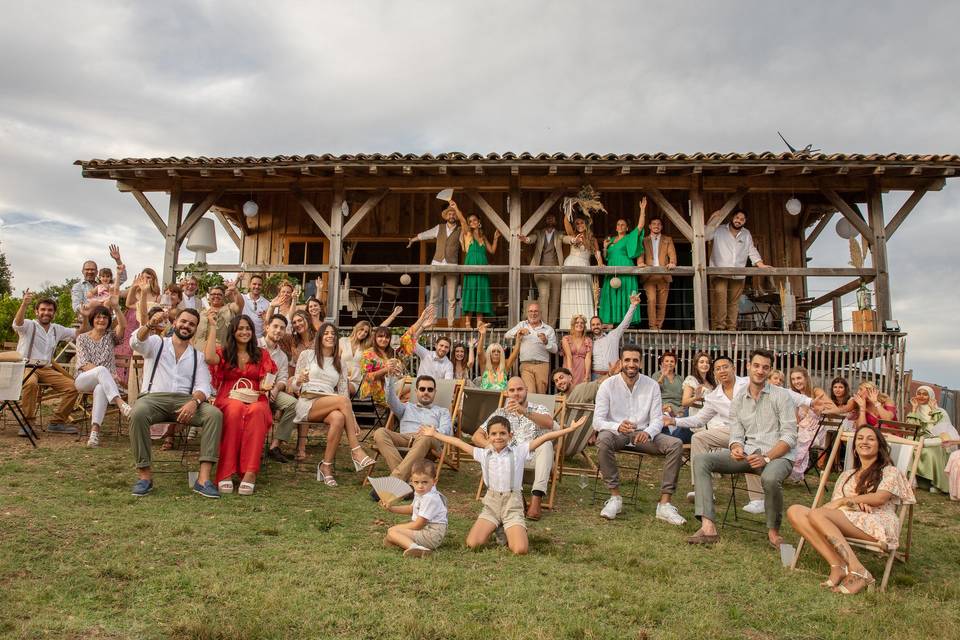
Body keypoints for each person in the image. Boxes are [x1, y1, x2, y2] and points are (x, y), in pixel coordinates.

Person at [419, 415, 585, 555]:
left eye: (502, 433)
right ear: (488, 437)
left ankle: (510, 528)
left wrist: (569, 429)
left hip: (512, 503)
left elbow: (545, 438)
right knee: (473, 544)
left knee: (520, 550)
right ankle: (497, 525)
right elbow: (458, 442)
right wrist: (435, 434)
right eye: (494, 434)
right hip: (491, 503)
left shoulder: (519, 451)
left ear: (510, 435)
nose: (498, 437)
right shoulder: (483, 454)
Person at [787, 425, 916, 594]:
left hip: (876, 522)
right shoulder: (846, 475)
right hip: (847, 519)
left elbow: (879, 498)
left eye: (871, 438)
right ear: (854, 447)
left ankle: (858, 569)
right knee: (794, 510)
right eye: (860, 438)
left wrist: (848, 500)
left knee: (817, 513)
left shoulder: (890, 471)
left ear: (880, 446)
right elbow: (833, 508)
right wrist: (852, 505)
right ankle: (837, 565)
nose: (864, 441)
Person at [687, 349, 797, 548]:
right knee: (702, 460)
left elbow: (790, 436)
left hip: (778, 457)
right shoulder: (739, 399)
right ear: (748, 367)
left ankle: (773, 533)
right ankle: (708, 527)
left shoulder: (781, 396)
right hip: (749, 453)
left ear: (770, 370)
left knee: (770, 478)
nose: (760, 371)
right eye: (756, 366)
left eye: (765, 367)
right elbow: (736, 432)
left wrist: (767, 457)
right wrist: (736, 446)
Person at [127, 288, 223, 498]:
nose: (186, 326)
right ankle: (144, 476)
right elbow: (135, 342)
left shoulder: (197, 356)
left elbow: (204, 386)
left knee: (214, 415)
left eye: (191, 324)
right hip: (154, 399)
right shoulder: (157, 343)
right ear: (175, 322)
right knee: (138, 413)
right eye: (183, 321)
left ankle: (203, 479)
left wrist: (195, 402)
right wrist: (150, 325)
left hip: (185, 403)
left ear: (195, 330)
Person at [593, 345, 686, 525]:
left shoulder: (651, 385)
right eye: (627, 360)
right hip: (617, 433)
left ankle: (664, 505)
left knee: (675, 444)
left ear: (641, 363)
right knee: (602, 439)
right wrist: (617, 426)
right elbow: (597, 421)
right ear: (621, 362)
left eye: (635, 360)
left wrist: (648, 432)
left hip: (644, 434)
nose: (631, 364)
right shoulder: (607, 385)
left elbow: (658, 420)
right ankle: (615, 498)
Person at [665, 355, 765, 513]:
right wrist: (674, 422)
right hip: (731, 431)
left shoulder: (748, 382)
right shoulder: (714, 396)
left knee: (749, 444)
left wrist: (808, 402)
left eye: (725, 367)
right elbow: (699, 419)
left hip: (756, 431)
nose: (722, 371)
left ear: (733, 368)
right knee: (698, 437)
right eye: (718, 369)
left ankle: (758, 499)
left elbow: (781, 392)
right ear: (715, 373)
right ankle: (702, 489)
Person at [291, 322, 375, 485]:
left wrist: (352, 418)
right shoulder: (307, 355)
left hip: (329, 401)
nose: (330, 336)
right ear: (320, 337)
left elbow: (343, 392)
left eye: (333, 334)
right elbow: (294, 385)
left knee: (338, 418)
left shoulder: (340, 362)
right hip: (308, 401)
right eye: (326, 333)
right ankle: (356, 451)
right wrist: (299, 380)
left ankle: (326, 466)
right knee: (342, 401)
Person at [204, 313, 277, 495]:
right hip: (229, 395)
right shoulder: (224, 353)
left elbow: (268, 376)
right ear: (233, 331)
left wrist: (266, 384)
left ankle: (250, 472)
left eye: (248, 328)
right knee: (235, 410)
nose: (245, 332)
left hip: (255, 395)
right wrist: (212, 326)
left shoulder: (261, 354)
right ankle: (225, 472)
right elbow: (209, 358)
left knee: (258, 410)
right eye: (240, 328)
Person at [472, 377, 557, 520]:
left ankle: (536, 499)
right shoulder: (500, 413)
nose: (516, 393)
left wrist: (523, 411)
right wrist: (493, 446)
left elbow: (549, 423)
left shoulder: (539, 408)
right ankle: (517, 497)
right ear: (507, 393)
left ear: (526, 390)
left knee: (546, 444)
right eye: (512, 390)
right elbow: (476, 437)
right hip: (510, 461)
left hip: (536, 459)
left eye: (519, 389)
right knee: (504, 454)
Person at [13, 291, 79, 433]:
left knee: (73, 386)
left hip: (46, 368)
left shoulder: (57, 329)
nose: (46, 313)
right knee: (30, 383)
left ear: (54, 313)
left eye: (50, 310)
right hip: (27, 366)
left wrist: (85, 317)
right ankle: (28, 423)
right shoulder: (29, 325)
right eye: (42, 309)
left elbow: (79, 333)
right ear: (36, 312)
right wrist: (24, 304)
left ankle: (56, 422)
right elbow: (18, 324)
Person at [372, 374, 453, 482]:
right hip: (405, 438)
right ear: (416, 391)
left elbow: (447, 431)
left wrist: (431, 431)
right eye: (422, 389)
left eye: (430, 389)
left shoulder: (442, 411)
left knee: (426, 437)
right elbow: (390, 400)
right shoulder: (406, 407)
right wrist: (390, 378)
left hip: (429, 441)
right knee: (380, 432)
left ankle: (396, 480)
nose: (426, 392)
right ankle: (404, 479)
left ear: (434, 392)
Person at [74, 301, 132, 447]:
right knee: (101, 370)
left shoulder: (110, 337)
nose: (101, 320)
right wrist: (107, 373)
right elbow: (85, 364)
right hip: (84, 379)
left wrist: (117, 308)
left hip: (105, 384)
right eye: (98, 317)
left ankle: (94, 434)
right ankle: (120, 403)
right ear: (92, 319)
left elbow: (123, 326)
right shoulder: (82, 338)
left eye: (105, 317)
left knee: (101, 388)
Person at [706, 210, 771, 331]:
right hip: (720, 272)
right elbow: (705, 235)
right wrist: (712, 219)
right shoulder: (719, 229)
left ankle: (731, 328)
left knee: (734, 302)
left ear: (745, 221)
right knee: (720, 298)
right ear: (732, 217)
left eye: (742, 219)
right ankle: (720, 328)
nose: (738, 221)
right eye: (737, 218)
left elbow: (751, 249)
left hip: (738, 274)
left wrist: (760, 264)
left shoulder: (746, 234)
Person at [381, 459, 448, 558]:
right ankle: (408, 544)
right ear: (411, 481)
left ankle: (416, 548)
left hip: (431, 534)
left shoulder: (430, 497)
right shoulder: (422, 492)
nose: (420, 486)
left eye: (425, 482)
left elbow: (419, 524)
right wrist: (391, 508)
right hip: (424, 530)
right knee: (390, 536)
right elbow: (412, 508)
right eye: (416, 482)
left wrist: (397, 528)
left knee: (392, 532)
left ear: (434, 481)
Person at [408, 201, 461, 325]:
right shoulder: (439, 228)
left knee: (452, 299)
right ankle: (432, 323)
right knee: (433, 297)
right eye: (449, 214)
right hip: (437, 264)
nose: (451, 216)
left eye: (453, 214)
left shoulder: (460, 229)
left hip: (452, 265)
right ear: (446, 215)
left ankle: (450, 325)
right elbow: (425, 235)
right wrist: (413, 239)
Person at [259, 315, 300, 464]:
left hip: (272, 392)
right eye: (275, 326)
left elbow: (283, 378)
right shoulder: (255, 345)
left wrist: (276, 390)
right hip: (254, 390)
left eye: (282, 328)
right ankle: (254, 447)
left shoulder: (282, 355)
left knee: (294, 404)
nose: (278, 330)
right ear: (267, 327)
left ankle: (275, 446)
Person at [598, 197, 645, 326]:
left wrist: (642, 210)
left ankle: (626, 322)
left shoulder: (629, 237)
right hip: (611, 269)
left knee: (625, 293)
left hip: (625, 268)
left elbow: (640, 227)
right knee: (610, 294)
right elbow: (606, 257)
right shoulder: (611, 240)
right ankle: (612, 321)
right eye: (618, 224)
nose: (620, 226)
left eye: (623, 224)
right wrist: (605, 247)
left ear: (627, 227)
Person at [453, 202, 500, 328]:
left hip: (483, 268)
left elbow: (492, 251)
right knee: (471, 291)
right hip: (471, 266)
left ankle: (479, 321)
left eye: (474, 220)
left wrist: (495, 238)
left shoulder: (483, 237)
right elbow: (462, 220)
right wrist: (456, 208)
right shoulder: (468, 234)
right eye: (470, 221)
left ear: (479, 221)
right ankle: (468, 321)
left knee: (481, 292)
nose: (472, 222)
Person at [906, 385, 959, 494]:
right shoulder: (915, 411)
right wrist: (914, 409)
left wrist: (934, 410)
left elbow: (943, 429)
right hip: (920, 439)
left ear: (931, 396)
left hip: (936, 440)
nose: (921, 396)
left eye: (925, 394)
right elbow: (911, 428)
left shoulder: (941, 411)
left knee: (931, 452)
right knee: (911, 449)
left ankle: (936, 483)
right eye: (919, 393)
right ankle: (914, 480)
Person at [518, 213, 564, 326]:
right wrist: (526, 239)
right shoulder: (539, 233)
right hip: (541, 269)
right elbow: (532, 239)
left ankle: (551, 327)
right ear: (545, 220)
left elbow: (567, 239)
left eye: (552, 217)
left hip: (556, 270)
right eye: (548, 217)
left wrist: (574, 240)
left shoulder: (559, 234)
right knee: (544, 295)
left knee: (555, 298)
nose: (550, 219)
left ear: (555, 221)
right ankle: (543, 325)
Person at [503, 301, 557, 394]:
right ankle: (528, 409)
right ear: (527, 313)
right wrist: (519, 332)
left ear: (540, 313)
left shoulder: (548, 329)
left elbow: (555, 349)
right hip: (526, 365)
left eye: (536, 311)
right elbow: (507, 335)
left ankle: (539, 409)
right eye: (530, 311)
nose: (533, 313)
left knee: (541, 394)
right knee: (529, 393)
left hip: (542, 365)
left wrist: (546, 341)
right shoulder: (522, 324)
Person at [559, 213, 603, 329]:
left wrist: (600, 263)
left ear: (586, 224)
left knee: (585, 292)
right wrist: (567, 210)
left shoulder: (592, 239)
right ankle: (567, 325)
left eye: (581, 223)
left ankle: (587, 325)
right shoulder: (573, 235)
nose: (579, 225)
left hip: (584, 265)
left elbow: (597, 253)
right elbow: (566, 224)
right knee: (571, 294)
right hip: (571, 264)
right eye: (577, 223)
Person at [788, 367, 828, 482]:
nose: (796, 382)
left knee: (799, 440)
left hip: (816, 430)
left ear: (806, 378)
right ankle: (784, 467)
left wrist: (815, 408)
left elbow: (826, 410)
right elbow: (796, 421)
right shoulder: (795, 396)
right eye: (793, 379)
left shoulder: (816, 392)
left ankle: (792, 469)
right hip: (802, 429)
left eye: (799, 378)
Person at [588, 293, 641, 381]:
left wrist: (633, 305)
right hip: (596, 376)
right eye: (593, 325)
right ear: (591, 327)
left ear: (602, 325)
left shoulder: (613, 336)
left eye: (598, 324)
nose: (596, 326)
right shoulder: (589, 342)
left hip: (613, 374)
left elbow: (625, 323)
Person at [641, 216, 678, 331]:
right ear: (649, 226)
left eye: (658, 224)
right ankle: (652, 327)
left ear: (661, 227)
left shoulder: (668, 239)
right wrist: (640, 262)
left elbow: (672, 254)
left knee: (662, 303)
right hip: (649, 275)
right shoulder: (644, 240)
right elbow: (640, 254)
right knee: (651, 300)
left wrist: (672, 262)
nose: (656, 226)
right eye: (654, 224)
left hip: (664, 274)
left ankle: (659, 327)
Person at [70, 245, 127, 317]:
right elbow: (76, 307)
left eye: (92, 269)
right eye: (87, 269)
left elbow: (123, 277)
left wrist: (118, 260)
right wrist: (95, 305)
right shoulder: (78, 286)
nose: (90, 271)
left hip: (106, 320)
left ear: (97, 272)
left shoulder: (107, 282)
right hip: (87, 321)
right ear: (82, 271)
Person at [191, 282, 239, 350]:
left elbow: (239, 306)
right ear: (209, 297)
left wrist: (235, 291)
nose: (216, 296)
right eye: (213, 294)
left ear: (223, 296)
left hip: (221, 351)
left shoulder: (229, 308)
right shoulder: (200, 312)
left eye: (219, 294)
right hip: (200, 351)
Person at [475, 321, 521, 391]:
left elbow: (515, 354)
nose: (496, 353)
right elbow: (479, 352)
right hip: (485, 399)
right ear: (489, 354)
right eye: (493, 351)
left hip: (502, 400)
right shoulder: (485, 365)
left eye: (498, 351)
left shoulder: (505, 366)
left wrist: (518, 339)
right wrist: (482, 335)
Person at [561, 315, 592, 387]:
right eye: (577, 322)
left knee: (582, 393)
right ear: (573, 325)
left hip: (582, 370)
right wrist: (569, 373)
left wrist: (586, 375)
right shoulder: (566, 339)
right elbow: (569, 356)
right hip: (570, 367)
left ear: (584, 325)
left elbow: (588, 358)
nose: (579, 324)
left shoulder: (588, 340)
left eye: (582, 323)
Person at [681, 351, 715, 416]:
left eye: (707, 362)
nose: (705, 364)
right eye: (701, 362)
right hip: (698, 415)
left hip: (711, 415)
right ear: (696, 365)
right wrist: (695, 398)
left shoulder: (711, 381)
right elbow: (684, 402)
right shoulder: (691, 380)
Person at [240, 274, 270, 338]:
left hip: (259, 338)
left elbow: (268, 323)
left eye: (259, 285)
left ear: (262, 286)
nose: (257, 286)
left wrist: (265, 319)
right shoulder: (242, 298)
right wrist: (237, 279)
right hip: (243, 336)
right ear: (249, 285)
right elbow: (229, 293)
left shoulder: (267, 303)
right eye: (254, 284)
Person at [287, 309, 315, 378]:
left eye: (300, 320)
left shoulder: (319, 339)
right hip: (300, 380)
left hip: (317, 379)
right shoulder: (293, 341)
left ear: (308, 320)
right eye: (294, 322)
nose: (297, 324)